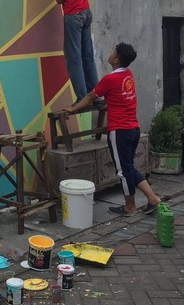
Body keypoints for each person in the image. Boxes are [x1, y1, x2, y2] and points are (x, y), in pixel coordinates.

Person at [65, 43, 161, 215]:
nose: (110, 53)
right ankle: (153, 199)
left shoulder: (110, 79)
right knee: (129, 167)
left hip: (120, 130)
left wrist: (74, 109)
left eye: (113, 52)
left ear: (116, 59)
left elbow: (90, 96)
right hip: (133, 128)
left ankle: (130, 207)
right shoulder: (128, 75)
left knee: (123, 171)